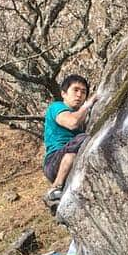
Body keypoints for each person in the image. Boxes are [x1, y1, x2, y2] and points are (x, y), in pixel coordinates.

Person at [43, 74, 98, 205]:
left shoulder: (82, 116)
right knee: (83, 139)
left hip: (72, 156)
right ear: (64, 93)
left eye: (83, 92)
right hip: (54, 160)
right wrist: (88, 104)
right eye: (75, 90)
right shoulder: (56, 107)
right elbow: (71, 122)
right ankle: (55, 187)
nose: (79, 95)